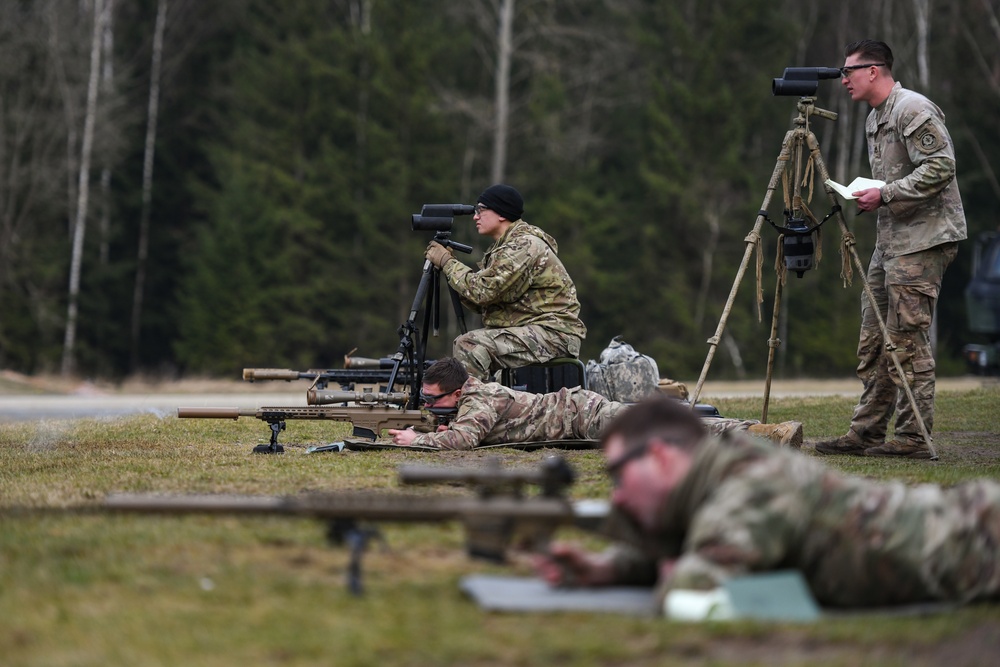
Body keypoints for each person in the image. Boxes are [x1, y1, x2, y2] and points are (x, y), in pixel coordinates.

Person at [533, 396, 1000, 612]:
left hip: (979, 541)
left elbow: (696, 588)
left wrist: (679, 576)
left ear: (659, 455)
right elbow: (691, 541)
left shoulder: (751, 480)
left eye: (618, 475)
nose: (616, 493)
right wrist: (606, 569)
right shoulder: (719, 476)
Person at [816, 40, 966, 460]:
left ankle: (914, 438)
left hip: (924, 240)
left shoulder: (912, 109)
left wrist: (886, 195)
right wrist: (870, 194)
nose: (843, 79)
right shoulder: (874, 119)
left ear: (875, 71)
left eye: (850, 71)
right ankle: (866, 432)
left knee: (906, 337)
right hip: (892, 241)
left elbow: (941, 165)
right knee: (875, 336)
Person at [387, 358, 803, 450]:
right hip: (579, 414)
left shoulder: (479, 397)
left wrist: (414, 440)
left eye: (432, 398)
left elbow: (462, 442)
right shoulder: (466, 400)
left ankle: (763, 432)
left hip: (584, 415)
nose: (428, 404)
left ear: (458, 393)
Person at [424, 184, 587, 381]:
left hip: (554, 334)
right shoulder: (505, 248)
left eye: (481, 210)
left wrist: (448, 263)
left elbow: (482, 291)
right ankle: (481, 404)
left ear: (501, 213)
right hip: (537, 330)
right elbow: (481, 302)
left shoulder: (523, 245)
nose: (476, 216)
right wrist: (451, 269)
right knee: (472, 344)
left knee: (470, 345)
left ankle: (474, 409)